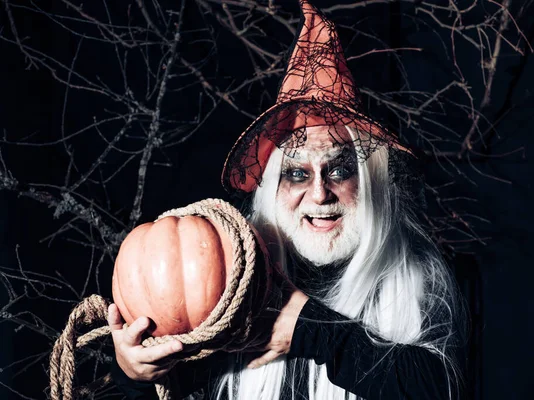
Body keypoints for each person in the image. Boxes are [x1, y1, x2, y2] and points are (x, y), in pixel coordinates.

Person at [109, 1, 466, 399]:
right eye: (296, 174)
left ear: (368, 181)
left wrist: (310, 328)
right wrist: (134, 375)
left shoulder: (422, 282)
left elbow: (440, 391)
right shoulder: (226, 293)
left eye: (339, 170)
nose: (319, 193)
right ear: (271, 189)